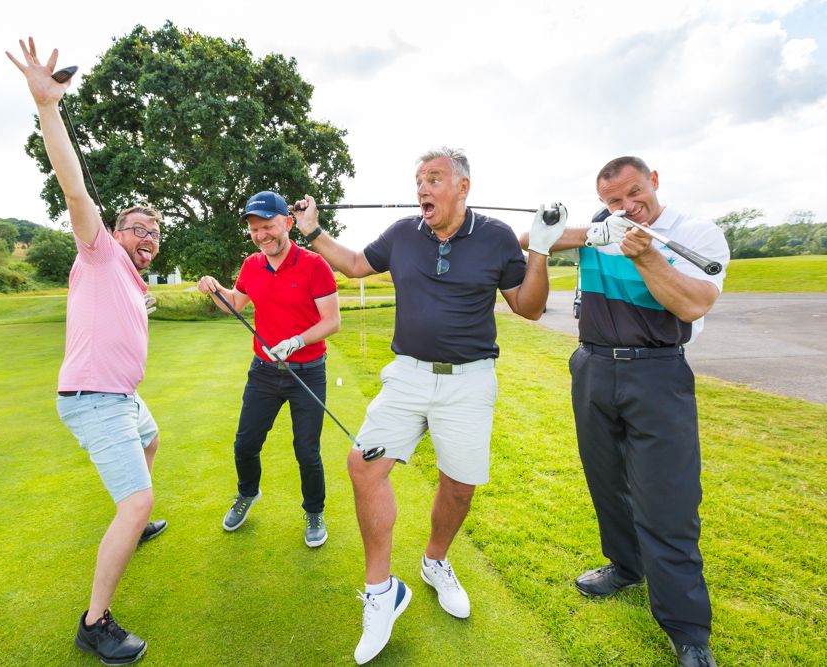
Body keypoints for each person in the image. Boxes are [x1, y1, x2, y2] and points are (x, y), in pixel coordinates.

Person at [293, 147, 565, 664]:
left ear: (463, 187)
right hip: (408, 376)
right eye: (419, 179)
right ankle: (381, 592)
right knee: (363, 465)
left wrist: (542, 250)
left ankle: (435, 562)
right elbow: (355, 265)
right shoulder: (402, 234)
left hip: (469, 381)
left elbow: (528, 308)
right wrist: (313, 231)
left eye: (434, 178)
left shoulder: (496, 237)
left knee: (459, 487)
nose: (422, 187)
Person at [526, 156, 729, 667]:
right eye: (613, 201)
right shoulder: (602, 227)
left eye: (634, 193)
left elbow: (693, 304)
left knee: (668, 499)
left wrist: (647, 255)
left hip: (657, 372)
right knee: (606, 481)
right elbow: (532, 240)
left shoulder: (695, 233)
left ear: (653, 181)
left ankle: (687, 629)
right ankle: (625, 565)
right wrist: (568, 233)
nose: (626, 206)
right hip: (593, 367)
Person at [7, 38, 167, 666]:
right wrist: (48, 107)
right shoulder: (98, 251)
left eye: (156, 233)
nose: (148, 237)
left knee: (152, 438)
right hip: (95, 400)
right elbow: (75, 190)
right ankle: (94, 624)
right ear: (115, 232)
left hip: (122, 398)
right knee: (137, 498)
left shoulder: (131, 278)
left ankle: (135, 522)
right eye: (139, 229)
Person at [197, 190, 340, 547]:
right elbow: (235, 303)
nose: (261, 235)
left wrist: (296, 342)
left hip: (307, 371)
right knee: (245, 444)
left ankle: (314, 511)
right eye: (254, 229)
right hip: (263, 371)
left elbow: (332, 321)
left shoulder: (315, 265)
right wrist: (213, 288)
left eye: (268, 226)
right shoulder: (251, 265)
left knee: (307, 451)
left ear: (288, 223)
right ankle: (248, 493)